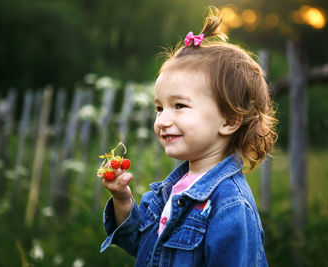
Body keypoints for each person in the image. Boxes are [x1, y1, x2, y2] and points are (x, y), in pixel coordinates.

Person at [100, 7, 277, 267]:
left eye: (179, 106)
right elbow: (139, 244)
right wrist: (122, 199)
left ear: (229, 120)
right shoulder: (171, 189)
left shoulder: (230, 206)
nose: (162, 120)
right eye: (159, 108)